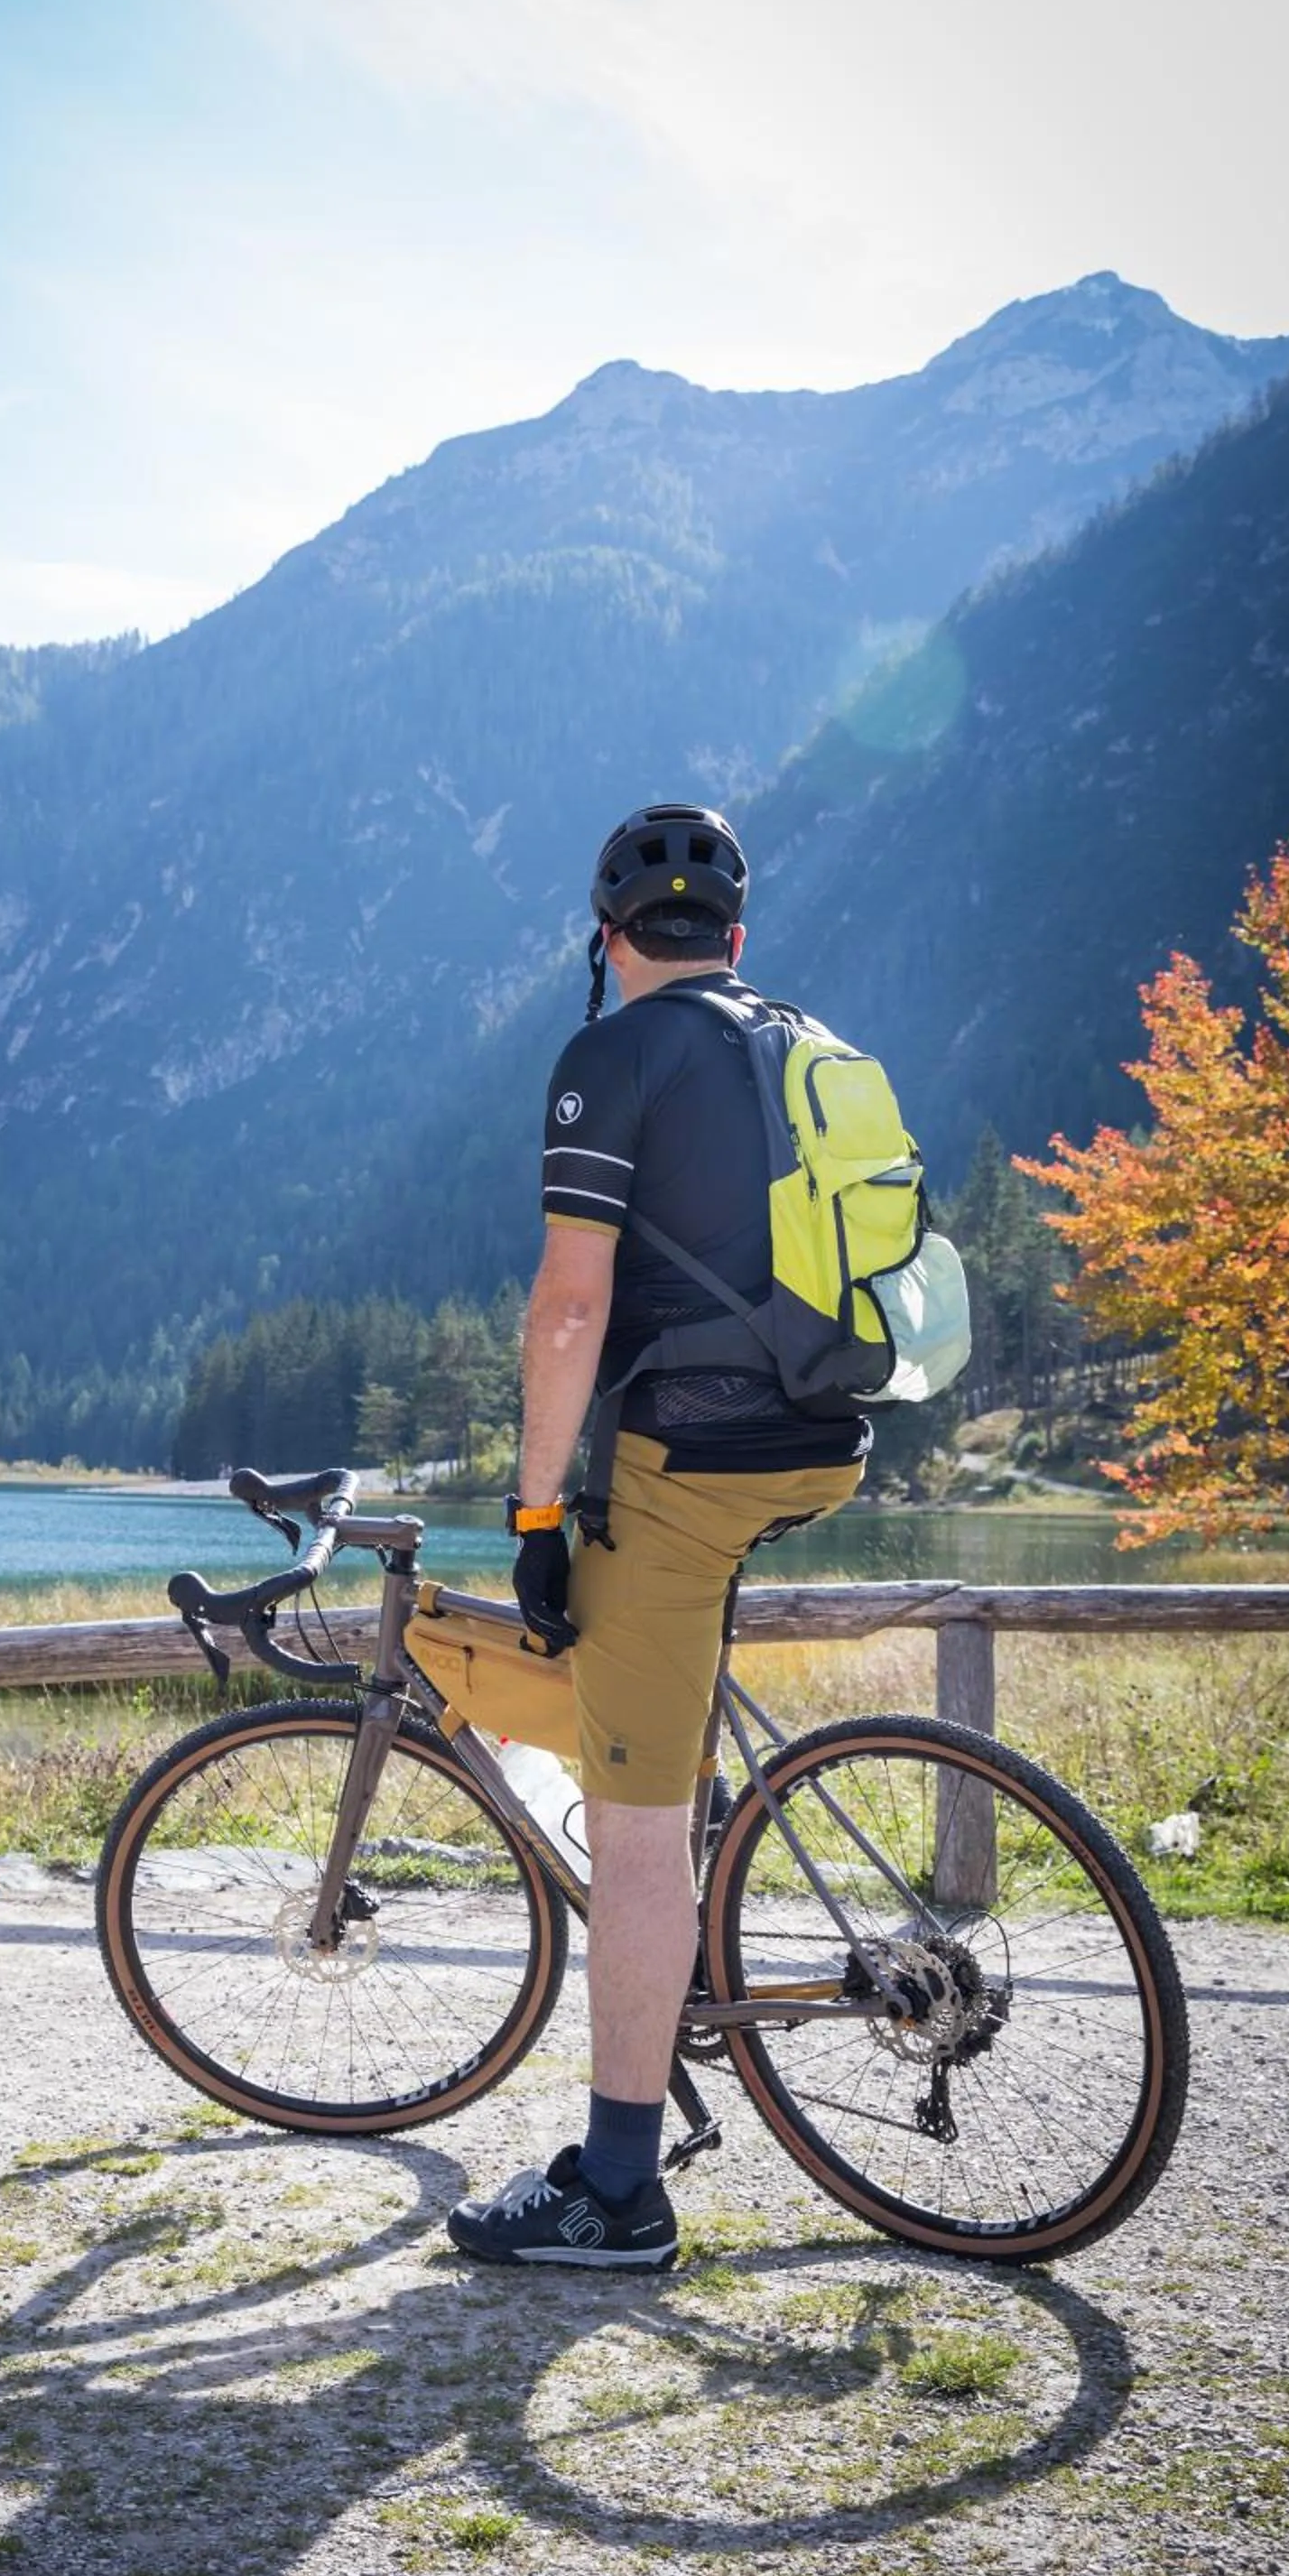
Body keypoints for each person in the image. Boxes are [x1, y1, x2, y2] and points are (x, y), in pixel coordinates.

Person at [446, 803, 869, 2270]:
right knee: (663, 1746)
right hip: (824, 1442)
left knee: (636, 1832)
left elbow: (571, 1310)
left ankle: (617, 2189)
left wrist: (541, 1513)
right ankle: (683, 1962)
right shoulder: (804, 1043)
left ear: (609, 942)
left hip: (686, 1463)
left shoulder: (609, 1054)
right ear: (736, 942)